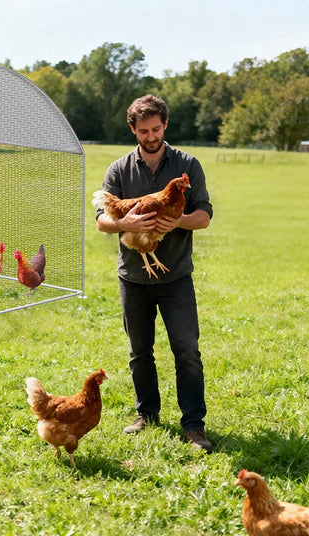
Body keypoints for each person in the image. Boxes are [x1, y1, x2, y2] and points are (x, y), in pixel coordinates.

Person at [95, 94, 214, 453]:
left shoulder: (187, 165)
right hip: (133, 276)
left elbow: (205, 215)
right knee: (139, 351)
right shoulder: (119, 170)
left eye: (157, 129)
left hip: (176, 275)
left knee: (187, 349)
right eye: (144, 130)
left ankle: (193, 424)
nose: (151, 136)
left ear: (165, 125)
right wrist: (123, 222)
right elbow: (102, 221)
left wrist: (179, 220)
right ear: (133, 129)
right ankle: (147, 414)